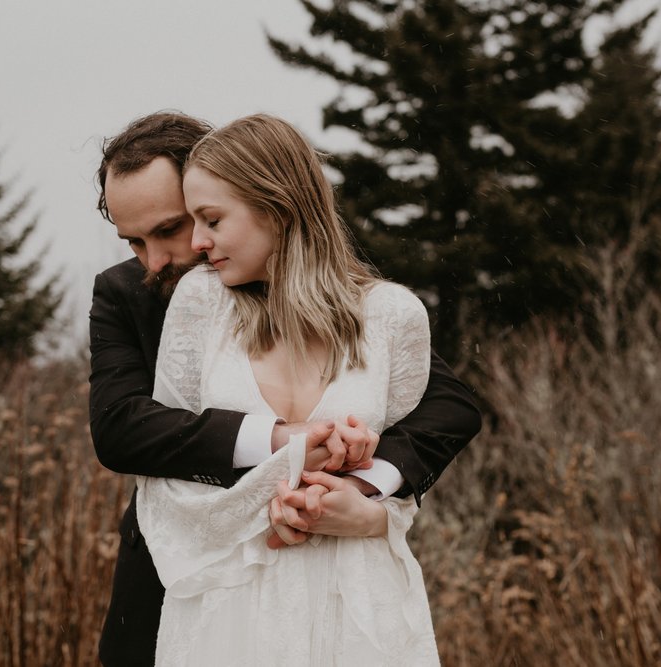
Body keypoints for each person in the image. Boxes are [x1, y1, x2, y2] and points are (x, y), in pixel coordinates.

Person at [89, 112, 481, 666]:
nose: (157, 260)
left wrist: (369, 492)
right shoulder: (127, 292)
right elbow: (121, 428)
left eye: (173, 227)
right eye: (133, 240)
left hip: (334, 589)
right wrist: (285, 441)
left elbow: (448, 404)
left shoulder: (342, 287)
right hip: (178, 571)